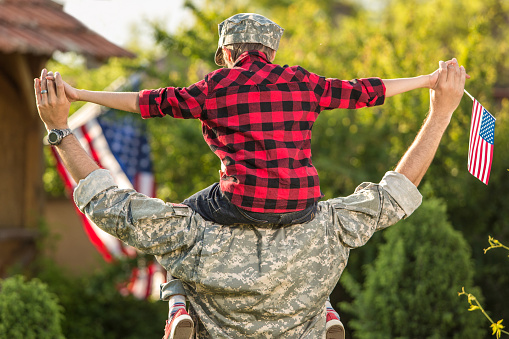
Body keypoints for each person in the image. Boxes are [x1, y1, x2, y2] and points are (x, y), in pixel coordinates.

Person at [49, 13, 462, 337]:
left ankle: (177, 304)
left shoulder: (215, 86)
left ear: (228, 53)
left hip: (238, 202)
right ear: (271, 50)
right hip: (303, 207)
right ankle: (324, 310)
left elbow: (147, 103)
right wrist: (434, 92)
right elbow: (367, 92)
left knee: (178, 219)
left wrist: (75, 102)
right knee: (326, 261)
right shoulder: (301, 82)